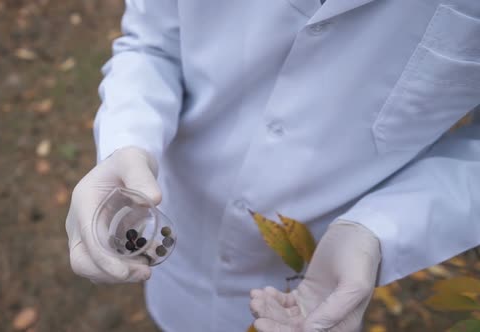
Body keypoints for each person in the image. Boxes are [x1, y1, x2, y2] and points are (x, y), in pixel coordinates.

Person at [65, 0, 480, 331]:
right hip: (182, 227)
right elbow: (152, 44)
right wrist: (127, 142)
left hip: (317, 278)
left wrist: (380, 230)